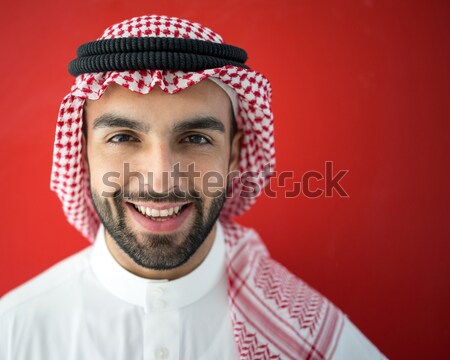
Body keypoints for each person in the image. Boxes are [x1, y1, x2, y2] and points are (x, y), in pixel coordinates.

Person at [0, 15, 387, 360]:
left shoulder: (310, 338)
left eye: (197, 138)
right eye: (122, 137)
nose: (161, 177)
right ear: (83, 152)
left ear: (234, 156)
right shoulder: (14, 332)